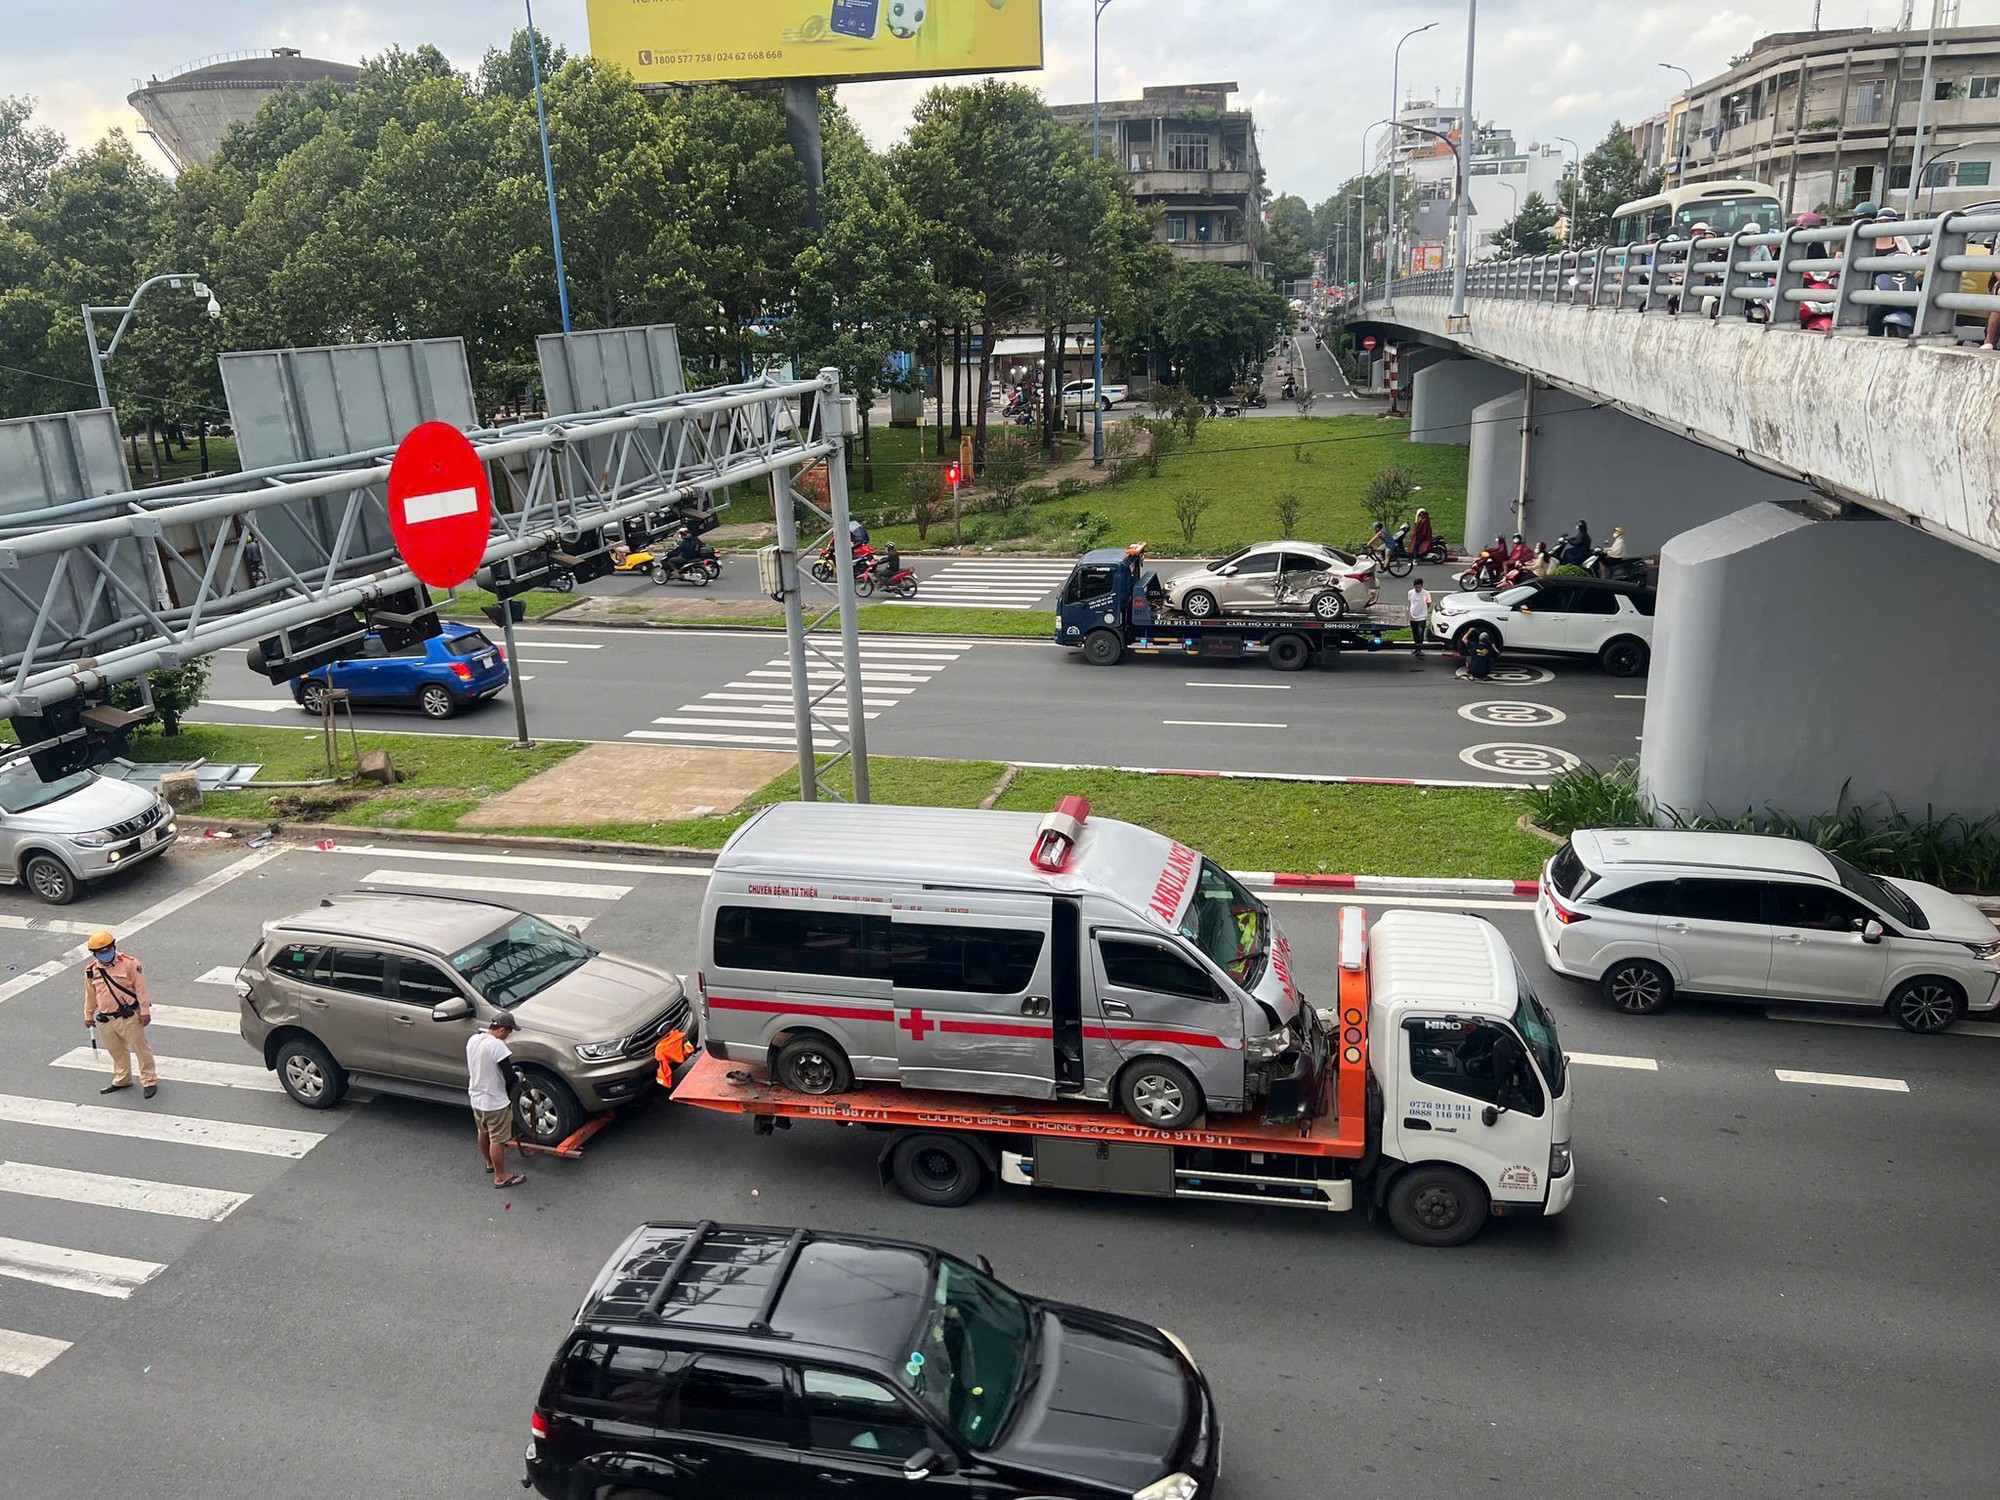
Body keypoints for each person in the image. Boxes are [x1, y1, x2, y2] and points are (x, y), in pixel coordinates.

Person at [82, 931, 156, 1099]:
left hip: (128, 1016)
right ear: (94, 954)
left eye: (108, 949)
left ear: (114, 947)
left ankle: (149, 1080)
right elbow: (90, 994)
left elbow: (141, 989)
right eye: (101, 952)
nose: (106, 954)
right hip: (106, 1018)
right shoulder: (91, 970)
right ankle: (123, 1078)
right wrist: (88, 1015)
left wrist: (144, 1011)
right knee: (116, 1051)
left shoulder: (130, 964)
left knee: (141, 1049)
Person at [468, 1012, 524, 1189]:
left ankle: (489, 1163)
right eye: (508, 1032)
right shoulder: (497, 1046)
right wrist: (518, 1078)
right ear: (501, 1029)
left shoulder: (473, 1040)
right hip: (494, 1101)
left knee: (482, 1131)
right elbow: (509, 1075)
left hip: (476, 1097)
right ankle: (501, 1177)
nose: (508, 1036)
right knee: (497, 1139)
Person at [1407, 577, 1432, 657]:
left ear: (1422, 586)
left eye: (1419, 587)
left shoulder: (1426, 593)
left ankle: (1419, 649)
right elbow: (1411, 602)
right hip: (1413, 616)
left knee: (1420, 633)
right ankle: (1416, 648)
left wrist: (1423, 609)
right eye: (1416, 587)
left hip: (1422, 617)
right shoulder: (1410, 593)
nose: (1417, 589)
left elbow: (1428, 603)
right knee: (1415, 633)